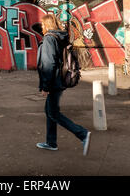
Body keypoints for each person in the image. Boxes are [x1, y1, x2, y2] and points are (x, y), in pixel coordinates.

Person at [36, 13, 91, 155]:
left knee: (53, 113)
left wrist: (45, 87)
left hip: (53, 82)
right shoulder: (60, 37)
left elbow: (49, 64)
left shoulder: (49, 39)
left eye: (42, 24)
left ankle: (82, 133)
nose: (41, 27)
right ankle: (51, 142)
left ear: (47, 25)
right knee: (50, 112)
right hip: (60, 80)